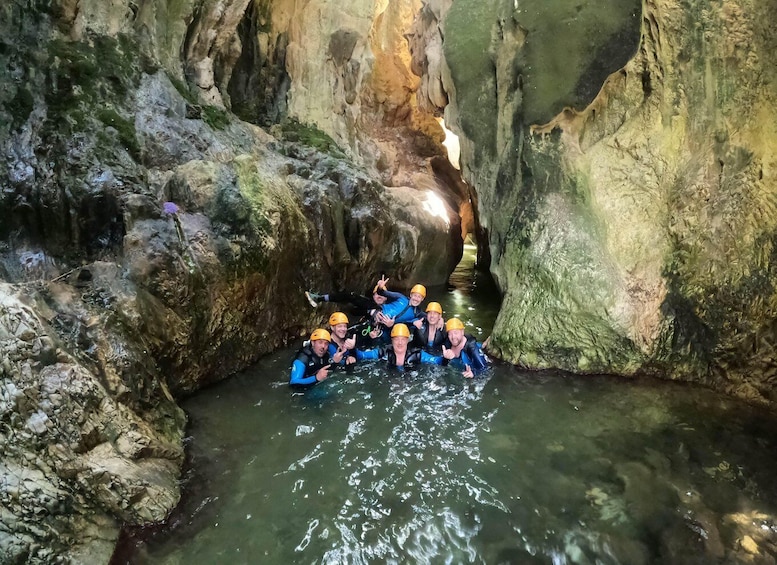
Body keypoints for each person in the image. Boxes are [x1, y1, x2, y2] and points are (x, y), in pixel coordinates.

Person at [356, 323, 443, 371]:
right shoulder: (384, 352)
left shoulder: (417, 354)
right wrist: (352, 349)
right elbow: (362, 356)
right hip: (389, 382)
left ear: (407, 340)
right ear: (392, 340)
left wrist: (445, 358)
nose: (400, 343)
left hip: (410, 385)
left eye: (403, 339)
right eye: (396, 339)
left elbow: (437, 361)